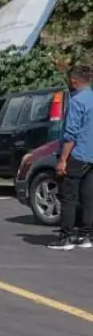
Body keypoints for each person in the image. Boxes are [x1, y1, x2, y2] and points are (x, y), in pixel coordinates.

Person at [51, 65, 93, 250]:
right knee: (88, 197)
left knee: (68, 196)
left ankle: (65, 237)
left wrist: (62, 160)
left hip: (78, 155)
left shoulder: (77, 101)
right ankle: (86, 235)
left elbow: (71, 134)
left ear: (74, 81)